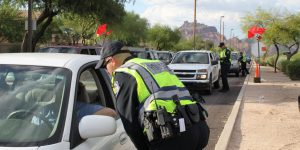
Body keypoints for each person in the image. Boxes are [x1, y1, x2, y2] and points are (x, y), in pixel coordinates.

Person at [95, 41, 210, 150]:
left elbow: (128, 120)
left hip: (172, 137)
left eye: (105, 66)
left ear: (111, 60)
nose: (107, 71)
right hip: (198, 127)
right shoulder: (156, 64)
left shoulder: (124, 72)